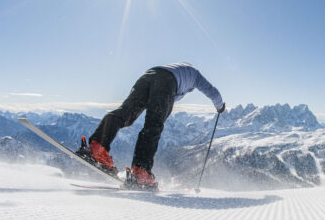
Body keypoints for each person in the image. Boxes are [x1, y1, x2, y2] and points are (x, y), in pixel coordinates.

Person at [79, 63, 225, 188]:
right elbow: (211, 90)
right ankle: (141, 172)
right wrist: (220, 106)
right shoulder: (194, 74)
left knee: (124, 114)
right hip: (166, 82)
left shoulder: (175, 69)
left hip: (147, 76)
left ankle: (97, 148)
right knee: (153, 126)